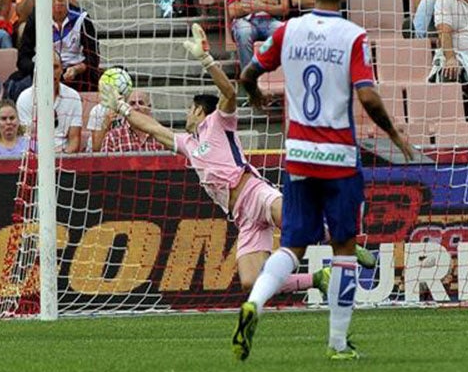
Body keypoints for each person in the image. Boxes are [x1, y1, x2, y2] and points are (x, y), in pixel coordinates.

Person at [236, 0, 415, 361]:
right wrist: (393, 133)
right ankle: (337, 344)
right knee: (344, 250)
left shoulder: (287, 31)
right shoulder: (352, 35)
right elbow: (367, 94)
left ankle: (255, 303)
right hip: (337, 157)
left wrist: (256, 97)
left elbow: (248, 74)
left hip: (298, 155)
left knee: (293, 245)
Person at [100, 24, 358, 304]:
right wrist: (122, 108)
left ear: (200, 111)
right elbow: (152, 128)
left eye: (190, 109)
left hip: (253, 192)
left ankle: (344, 240)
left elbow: (230, 93)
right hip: (241, 216)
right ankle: (317, 279)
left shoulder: (219, 122)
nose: (186, 114)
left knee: (292, 221)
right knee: (252, 281)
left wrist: (206, 60)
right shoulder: (188, 143)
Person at [12, 0, 101, 95]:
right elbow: (23, 58)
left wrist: (76, 69)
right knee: (15, 85)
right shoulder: (37, 18)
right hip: (43, 73)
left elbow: (93, 58)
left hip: (74, 74)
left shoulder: (82, 19)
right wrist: (41, 69)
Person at [15, 49, 83, 154]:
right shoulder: (25, 98)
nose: (51, 72)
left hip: (64, 158)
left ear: (61, 70)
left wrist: (61, 157)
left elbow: (74, 141)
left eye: (55, 67)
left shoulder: (73, 97)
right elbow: (26, 139)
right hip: (35, 158)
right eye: (46, 67)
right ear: (38, 70)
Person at [98, 89, 164, 152]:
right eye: (132, 103)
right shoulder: (113, 137)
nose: (137, 107)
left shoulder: (161, 136)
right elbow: (105, 163)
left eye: (141, 103)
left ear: (149, 108)